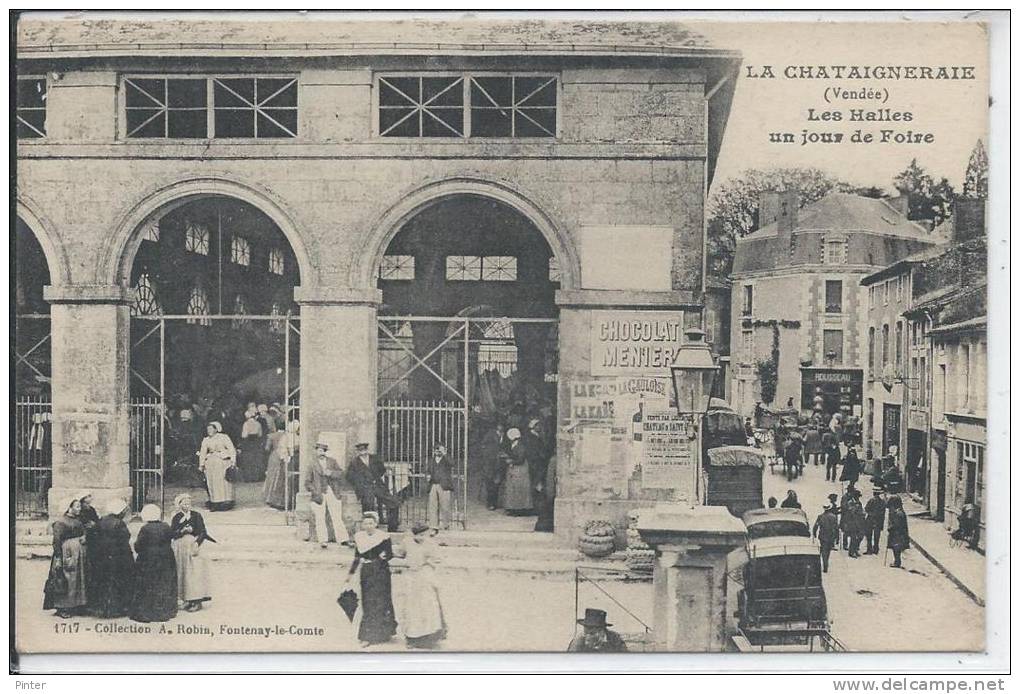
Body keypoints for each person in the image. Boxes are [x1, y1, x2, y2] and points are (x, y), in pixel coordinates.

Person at [344, 511, 398, 646]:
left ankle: (384, 633)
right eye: (366, 523)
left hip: (381, 572)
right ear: (362, 525)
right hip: (367, 573)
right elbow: (357, 556)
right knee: (368, 603)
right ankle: (368, 636)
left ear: (376, 524)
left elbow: (389, 554)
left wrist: (383, 557)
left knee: (382, 601)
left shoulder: (384, 537)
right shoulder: (360, 538)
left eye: (371, 523)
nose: (369, 526)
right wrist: (350, 573)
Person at [398, 521, 447, 649]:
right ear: (413, 535)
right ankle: (412, 638)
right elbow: (401, 553)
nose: (420, 538)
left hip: (425, 576)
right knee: (411, 607)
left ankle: (429, 638)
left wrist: (428, 563)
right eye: (418, 535)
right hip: (411, 577)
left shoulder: (431, 544)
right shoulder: (407, 542)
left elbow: (438, 560)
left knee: (427, 606)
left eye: (423, 535)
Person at [130, 504, 178, 623]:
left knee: (148, 584)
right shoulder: (165, 526)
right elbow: (171, 537)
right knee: (163, 583)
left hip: (148, 559)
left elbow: (138, 545)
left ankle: (147, 612)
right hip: (166, 558)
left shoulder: (145, 529)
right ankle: (163, 612)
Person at [43, 496, 88, 618]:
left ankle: (77, 605)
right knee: (66, 579)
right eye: (77, 506)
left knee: (78, 580)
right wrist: (58, 558)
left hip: (78, 554)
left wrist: (84, 537)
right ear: (69, 508)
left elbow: (83, 531)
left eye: (79, 506)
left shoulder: (78, 520)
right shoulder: (61, 522)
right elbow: (56, 541)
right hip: (66, 554)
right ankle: (63, 607)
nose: (79, 508)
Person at [89, 498, 134, 618]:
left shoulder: (102, 520)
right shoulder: (119, 523)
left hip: (102, 555)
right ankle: (116, 608)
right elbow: (125, 537)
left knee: (104, 581)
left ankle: (102, 608)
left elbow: (94, 535)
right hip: (118, 556)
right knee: (117, 581)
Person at [170, 493, 215, 612]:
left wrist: (197, 542)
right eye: (184, 503)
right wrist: (181, 531)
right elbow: (172, 533)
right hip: (181, 549)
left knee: (194, 574)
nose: (187, 506)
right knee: (183, 574)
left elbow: (203, 532)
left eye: (188, 503)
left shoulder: (196, 515)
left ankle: (196, 600)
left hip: (193, 547)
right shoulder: (176, 517)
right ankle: (186, 599)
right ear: (179, 505)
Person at [307, 437, 351, 548]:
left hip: (332, 491)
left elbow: (341, 474)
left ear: (325, 452)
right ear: (316, 451)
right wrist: (315, 491)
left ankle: (343, 539)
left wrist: (331, 473)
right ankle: (323, 540)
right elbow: (307, 482)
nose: (320, 452)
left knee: (336, 515)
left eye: (323, 450)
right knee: (320, 517)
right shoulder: (312, 464)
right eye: (318, 450)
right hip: (319, 493)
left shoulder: (332, 461)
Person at [346, 442, 401, 532]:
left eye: (364, 450)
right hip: (365, 488)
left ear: (367, 450)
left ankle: (392, 528)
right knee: (368, 508)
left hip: (378, 486)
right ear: (358, 452)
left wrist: (375, 478)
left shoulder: (374, 459)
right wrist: (361, 484)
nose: (363, 453)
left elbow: (382, 470)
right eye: (360, 451)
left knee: (394, 503)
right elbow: (349, 476)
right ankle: (370, 530)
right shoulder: (354, 462)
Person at [198, 421, 236, 511]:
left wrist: (233, 462)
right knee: (212, 482)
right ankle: (215, 501)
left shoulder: (223, 437)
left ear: (216, 429)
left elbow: (231, 449)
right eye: (208, 429)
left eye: (211, 429)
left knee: (223, 482)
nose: (209, 431)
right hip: (211, 463)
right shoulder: (206, 440)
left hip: (222, 462)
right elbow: (203, 453)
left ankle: (226, 501)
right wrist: (201, 465)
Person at [264, 419, 298, 510]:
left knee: (278, 478)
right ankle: (282, 502)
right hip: (287, 459)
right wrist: (286, 458)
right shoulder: (286, 436)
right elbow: (283, 449)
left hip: (281, 457)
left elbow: (267, 448)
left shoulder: (294, 436)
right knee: (283, 480)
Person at [502, 428, 533, 515]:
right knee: (514, 488)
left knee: (519, 488)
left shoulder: (520, 446)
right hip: (516, 469)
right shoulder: (515, 445)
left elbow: (520, 459)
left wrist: (511, 461)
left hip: (520, 469)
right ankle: (514, 508)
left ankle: (519, 509)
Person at [426, 444, 454, 532]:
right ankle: (434, 527)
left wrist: (444, 453)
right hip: (433, 485)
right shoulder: (431, 460)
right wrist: (428, 476)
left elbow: (452, 463)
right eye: (436, 450)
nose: (438, 452)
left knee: (445, 506)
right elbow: (427, 471)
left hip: (444, 486)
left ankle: (446, 525)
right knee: (433, 507)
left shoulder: (446, 460)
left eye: (439, 450)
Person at [479, 423, 506, 510]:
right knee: (490, 484)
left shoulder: (502, 436)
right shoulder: (491, 436)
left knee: (496, 484)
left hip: (498, 464)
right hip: (490, 465)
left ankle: (494, 503)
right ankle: (490, 503)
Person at [238, 407, 265, 483]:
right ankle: (255, 477)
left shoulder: (246, 424)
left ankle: (248, 477)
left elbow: (244, 435)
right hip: (256, 442)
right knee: (255, 459)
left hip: (248, 443)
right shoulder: (258, 424)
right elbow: (260, 434)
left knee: (248, 460)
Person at [812, 505, 839, 573]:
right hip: (831, 537)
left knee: (824, 550)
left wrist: (814, 533)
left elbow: (816, 526)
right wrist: (837, 538)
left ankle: (825, 564)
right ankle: (825, 564)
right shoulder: (833, 517)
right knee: (827, 551)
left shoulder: (820, 516)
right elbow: (836, 528)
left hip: (823, 537)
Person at [886, 495, 910, 568]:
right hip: (898, 534)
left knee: (896, 548)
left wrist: (890, 528)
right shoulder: (898, 512)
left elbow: (896, 524)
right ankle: (897, 561)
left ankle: (897, 562)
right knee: (896, 548)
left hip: (898, 534)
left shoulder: (899, 513)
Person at [844, 492, 867, 558]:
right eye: (857, 496)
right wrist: (856, 508)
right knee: (853, 537)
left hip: (859, 522)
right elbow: (851, 512)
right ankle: (851, 552)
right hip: (852, 523)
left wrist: (863, 513)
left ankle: (856, 549)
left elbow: (861, 510)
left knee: (860, 537)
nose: (858, 498)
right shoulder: (850, 502)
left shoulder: (858, 502)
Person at [864, 490, 887, 555]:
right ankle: (876, 549)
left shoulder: (871, 500)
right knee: (877, 536)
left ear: (874, 494)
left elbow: (866, 509)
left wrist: (872, 514)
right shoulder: (882, 502)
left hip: (870, 520)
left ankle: (869, 549)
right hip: (878, 521)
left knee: (869, 536)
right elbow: (883, 512)